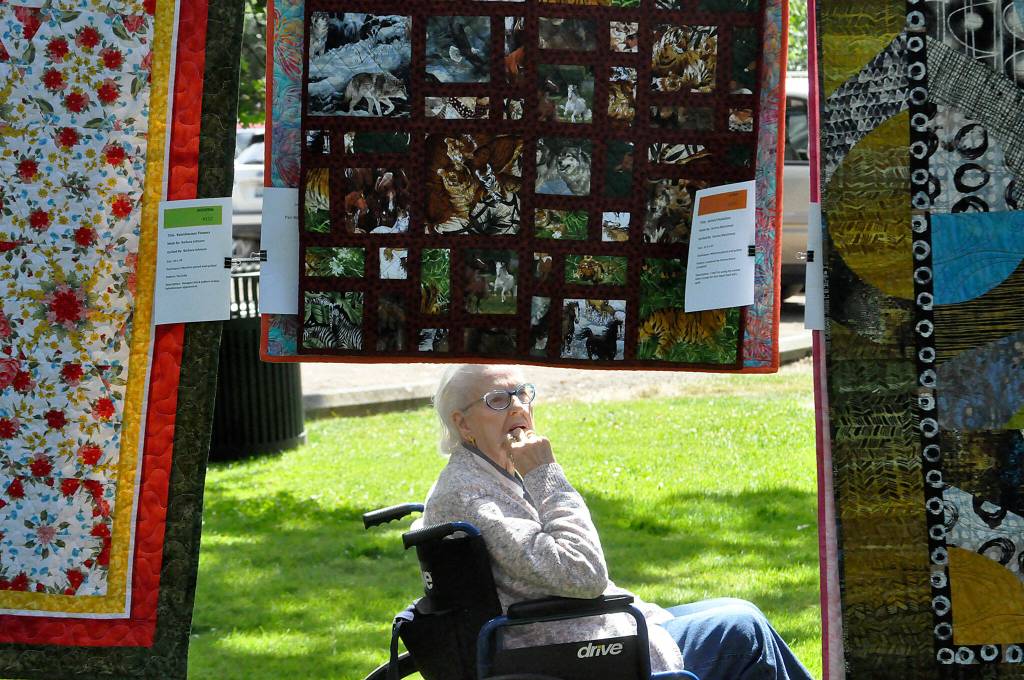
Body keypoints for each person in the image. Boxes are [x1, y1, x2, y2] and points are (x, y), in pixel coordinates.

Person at [422, 363, 814, 679]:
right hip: (567, 647)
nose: (519, 408)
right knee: (742, 628)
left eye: (523, 393)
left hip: (571, 631)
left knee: (740, 607)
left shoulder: (489, 475)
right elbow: (582, 572)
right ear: (464, 424)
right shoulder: (471, 494)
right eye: (496, 400)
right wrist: (546, 476)